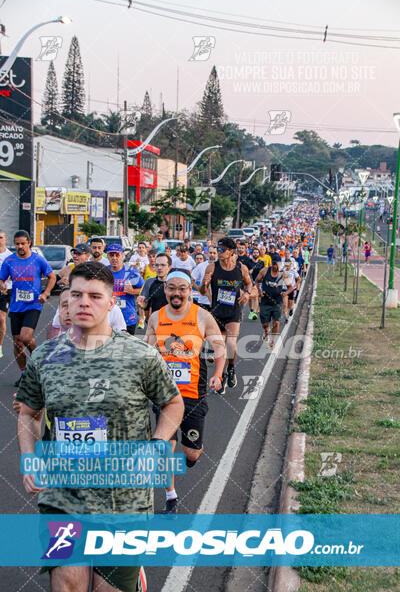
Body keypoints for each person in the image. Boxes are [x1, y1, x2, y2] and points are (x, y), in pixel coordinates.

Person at [16, 261, 184, 592]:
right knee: (67, 583)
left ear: (111, 302)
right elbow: (29, 414)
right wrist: (29, 457)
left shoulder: (140, 356)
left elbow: (172, 403)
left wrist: (156, 443)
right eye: (76, 295)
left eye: (95, 296)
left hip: (123, 500)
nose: (84, 303)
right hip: (64, 495)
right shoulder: (46, 356)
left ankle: (131, 577)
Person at [145, 270, 225, 513]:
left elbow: (220, 347)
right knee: (164, 448)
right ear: (165, 290)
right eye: (172, 287)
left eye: (182, 288)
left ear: (190, 290)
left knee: (192, 453)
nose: (176, 293)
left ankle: (192, 454)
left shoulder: (201, 316)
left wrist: (218, 375)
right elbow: (146, 354)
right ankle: (171, 496)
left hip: (193, 395)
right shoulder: (156, 318)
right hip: (165, 396)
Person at [0, 230, 56, 386]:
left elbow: (52, 277)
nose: (20, 246)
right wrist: (2, 285)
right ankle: (25, 373)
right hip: (16, 305)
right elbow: (1, 278)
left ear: (29, 243)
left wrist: (45, 293)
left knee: (25, 337)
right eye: (17, 244)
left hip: (34, 304)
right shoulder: (9, 261)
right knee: (17, 342)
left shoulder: (38, 260)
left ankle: (37, 363)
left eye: (23, 243)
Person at [200, 237, 256, 390]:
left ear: (231, 252)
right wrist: (204, 284)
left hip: (233, 311)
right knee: (220, 348)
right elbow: (202, 292)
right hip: (217, 311)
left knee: (231, 345)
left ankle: (231, 368)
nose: (218, 253)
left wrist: (247, 293)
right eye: (217, 250)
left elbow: (250, 283)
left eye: (222, 250)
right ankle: (221, 375)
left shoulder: (241, 268)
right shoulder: (212, 268)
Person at [107, 243, 144, 335]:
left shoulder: (131, 272)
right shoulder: (103, 271)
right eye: (111, 255)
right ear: (108, 256)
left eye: (117, 255)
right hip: (109, 318)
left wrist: (133, 291)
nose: (114, 258)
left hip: (128, 318)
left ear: (122, 256)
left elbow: (144, 290)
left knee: (126, 348)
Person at [255, 261, 291, 348]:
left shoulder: (283, 274)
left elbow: (290, 287)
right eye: (275, 265)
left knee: (276, 322)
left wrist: (285, 293)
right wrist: (259, 291)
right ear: (272, 264)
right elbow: (256, 281)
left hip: (277, 302)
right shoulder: (265, 271)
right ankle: (266, 330)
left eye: (279, 265)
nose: (277, 267)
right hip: (265, 301)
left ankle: (273, 341)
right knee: (265, 324)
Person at [136, 253, 172, 318]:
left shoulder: (175, 283)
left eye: (163, 265)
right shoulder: (149, 282)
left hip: (173, 322)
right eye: (157, 265)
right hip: (155, 322)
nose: (159, 268)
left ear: (169, 267)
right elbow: (144, 304)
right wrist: (141, 304)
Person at [0, 229, 12, 358]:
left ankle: (0, 346)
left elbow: (13, 273)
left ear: (5, 239)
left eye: (1, 238)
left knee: (1, 318)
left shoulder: (10, 256)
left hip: (6, 290)